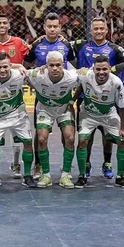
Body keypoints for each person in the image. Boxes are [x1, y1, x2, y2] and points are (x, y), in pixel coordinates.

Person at [71, 16, 124, 179]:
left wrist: (113, 70)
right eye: (95, 28)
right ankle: (86, 164)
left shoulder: (114, 48)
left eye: (101, 28)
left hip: (107, 97)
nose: (98, 31)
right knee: (86, 135)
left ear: (106, 30)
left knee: (107, 134)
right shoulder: (82, 45)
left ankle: (107, 163)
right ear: (91, 30)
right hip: (85, 96)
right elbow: (63, 47)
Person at [23, 12, 76, 180]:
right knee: (40, 133)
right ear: (44, 27)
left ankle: (64, 165)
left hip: (63, 94)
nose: (52, 29)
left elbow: (74, 66)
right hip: (43, 93)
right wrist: (35, 81)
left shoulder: (66, 45)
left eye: (55, 26)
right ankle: (38, 165)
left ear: (60, 27)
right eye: (49, 26)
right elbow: (25, 65)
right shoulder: (37, 44)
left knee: (67, 133)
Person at [0, 13, 30, 179]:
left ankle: (16, 164)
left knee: (17, 135)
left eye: (5, 23)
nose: (2, 25)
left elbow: (35, 51)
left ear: (9, 26)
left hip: (14, 93)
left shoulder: (18, 42)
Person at [73, 55, 124, 188]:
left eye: (105, 69)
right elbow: (80, 85)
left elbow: (122, 107)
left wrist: (122, 128)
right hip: (88, 115)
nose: (101, 72)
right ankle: (82, 176)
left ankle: (120, 177)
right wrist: (72, 100)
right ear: (93, 69)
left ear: (109, 68)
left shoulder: (116, 83)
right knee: (82, 141)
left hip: (109, 115)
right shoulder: (85, 75)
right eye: (98, 69)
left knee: (123, 141)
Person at [0, 52, 36, 188]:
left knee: (28, 143)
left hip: (18, 115)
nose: (2, 70)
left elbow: (39, 74)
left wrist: (21, 66)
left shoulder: (20, 75)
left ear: (10, 66)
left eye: (5, 67)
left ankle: (28, 175)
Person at [26, 51, 79, 188]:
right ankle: (46, 175)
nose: (55, 68)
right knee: (42, 138)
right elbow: (17, 72)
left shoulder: (72, 77)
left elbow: (91, 76)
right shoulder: (37, 75)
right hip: (45, 109)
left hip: (64, 109)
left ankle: (66, 175)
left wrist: (73, 100)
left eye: (58, 65)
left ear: (63, 65)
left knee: (70, 138)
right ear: (46, 65)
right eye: (51, 65)